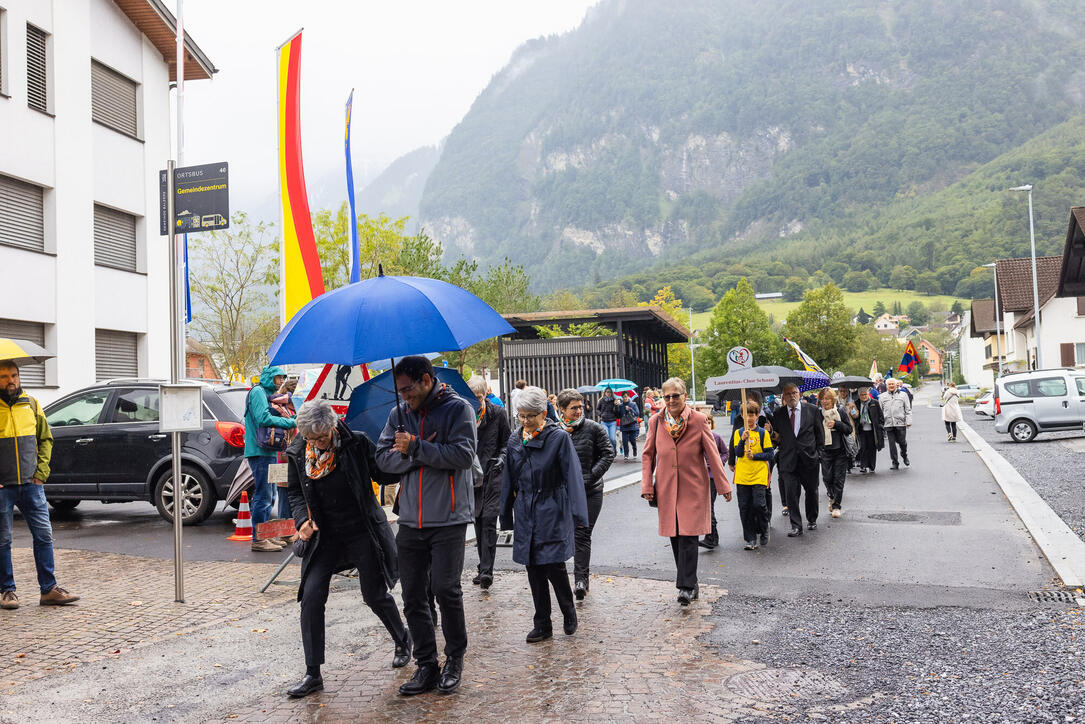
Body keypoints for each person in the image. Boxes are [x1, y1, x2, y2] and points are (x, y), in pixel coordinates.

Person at [284, 400, 410, 698]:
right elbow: (294, 493)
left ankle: (403, 639)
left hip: (361, 530)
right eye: (310, 439)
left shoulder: (356, 443)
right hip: (323, 537)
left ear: (333, 426)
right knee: (311, 598)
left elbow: (383, 474)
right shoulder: (299, 451)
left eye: (321, 437)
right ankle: (313, 673)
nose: (316, 443)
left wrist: (401, 454)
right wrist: (302, 520)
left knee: (374, 594)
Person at [375, 356, 476, 696]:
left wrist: (416, 447)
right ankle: (426, 665)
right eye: (400, 390)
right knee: (413, 595)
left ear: (427, 380)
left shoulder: (458, 410)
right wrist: (412, 454)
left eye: (409, 389)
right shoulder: (397, 415)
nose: (405, 396)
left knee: (447, 590)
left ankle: (455, 659)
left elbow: (463, 456)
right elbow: (382, 460)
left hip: (449, 517)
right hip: (410, 520)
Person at [500, 387, 589, 642]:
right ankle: (542, 623)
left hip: (552, 508)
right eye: (521, 416)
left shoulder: (559, 438)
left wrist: (578, 516)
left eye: (530, 416)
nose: (525, 421)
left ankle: (568, 611)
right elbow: (508, 479)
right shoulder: (516, 439)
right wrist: (505, 516)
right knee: (533, 569)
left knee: (553, 565)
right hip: (526, 510)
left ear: (542, 413)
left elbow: (572, 477)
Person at [641, 378, 731, 606]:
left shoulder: (699, 421)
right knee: (675, 535)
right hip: (667, 486)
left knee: (689, 536)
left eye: (676, 396)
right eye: (667, 396)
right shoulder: (656, 421)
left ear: (685, 397)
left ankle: (685, 587)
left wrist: (723, 486)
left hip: (693, 486)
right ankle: (690, 581)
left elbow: (712, 454)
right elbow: (648, 455)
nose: (671, 400)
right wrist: (647, 486)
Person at [0, 360, 79, 610]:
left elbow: (46, 439)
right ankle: (7, 591)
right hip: (3, 487)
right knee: (3, 541)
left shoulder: (32, 405)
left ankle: (49, 590)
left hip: (32, 485)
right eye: (3, 376)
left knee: (44, 536)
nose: (10, 380)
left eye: (13, 375)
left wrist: (41, 472)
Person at [556, 389, 615, 599]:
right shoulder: (555, 431)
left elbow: (609, 453)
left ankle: (581, 579)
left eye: (581, 406)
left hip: (590, 491)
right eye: (574, 408)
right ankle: (559, 579)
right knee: (562, 535)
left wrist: (591, 476)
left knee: (582, 534)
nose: (579, 411)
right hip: (562, 494)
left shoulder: (594, 428)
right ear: (561, 409)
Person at [244, 365, 298, 552]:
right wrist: (290, 422)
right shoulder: (258, 392)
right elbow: (263, 418)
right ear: (269, 377)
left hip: (269, 451)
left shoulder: (268, 395)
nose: (281, 382)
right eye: (278, 378)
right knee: (263, 495)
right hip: (260, 452)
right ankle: (258, 539)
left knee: (271, 494)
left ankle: (266, 534)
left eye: (282, 378)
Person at [467, 377, 509, 590]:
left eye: (479, 397)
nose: (476, 402)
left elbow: (506, 443)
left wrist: (501, 458)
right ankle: (483, 566)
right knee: (479, 522)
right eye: (472, 398)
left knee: (490, 521)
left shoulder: (498, 414)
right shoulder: (464, 415)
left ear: (485, 395)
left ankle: (486, 571)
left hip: (493, 474)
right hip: (472, 477)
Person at [770, 383, 822, 537]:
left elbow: (819, 434)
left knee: (811, 491)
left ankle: (812, 519)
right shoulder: (778, 414)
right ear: (783, 397)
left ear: (799, 394)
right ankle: (796, 526)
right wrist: (772, 434)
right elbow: (777, 438)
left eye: (794, 392)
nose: (792, 396)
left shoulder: (812, 410)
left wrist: (819, 454)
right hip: (788, 460)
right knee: (791, 494)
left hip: (809, 459)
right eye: (788, 394)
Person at [728, 401, 774, 550]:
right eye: (746, 414)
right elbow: (738, 453)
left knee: (759, 504)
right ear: (741, 415)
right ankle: (750, 539)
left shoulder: (763, 433)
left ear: (757, 415)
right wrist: (742, 440)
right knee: (745, 507)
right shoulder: (738, 433)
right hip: (742, 475)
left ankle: (764, 526)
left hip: (759, 473)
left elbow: (770, 454)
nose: (749, 418)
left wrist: (755, 455)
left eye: (752, 414)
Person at [817, 388, 852, 518]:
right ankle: (831, 496)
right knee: (827, 478)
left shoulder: (841, 411)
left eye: (827, 399)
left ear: (833, 400)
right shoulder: (818, 413)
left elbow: (849, 429)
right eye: (823, 399)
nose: (825, 401)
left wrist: (837, 424)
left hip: (840, 450)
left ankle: (837, 506)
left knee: (839, 479)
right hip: (825, 451)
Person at [698, 413, 728, 549]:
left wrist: (717, 462)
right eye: (704, 423)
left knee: (708, 506)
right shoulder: (696, 438)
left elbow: (725, 453)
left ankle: (712, 538)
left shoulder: (716, 438)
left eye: (709, 423)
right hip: (698, 477)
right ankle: (710, 536)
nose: (707, 425)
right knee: (703, 507)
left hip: (711, 477)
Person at [881, 378, 912, 470]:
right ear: (886, 386)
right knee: (892, 444)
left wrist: (908, 421)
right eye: (889, 384)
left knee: (902, 442)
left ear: (896, 385)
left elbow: (908, 409)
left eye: (892, 384)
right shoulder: (882, 397)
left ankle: (904, 454)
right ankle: (895, 462)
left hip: (900, 423)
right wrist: (881, 423)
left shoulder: (903, 395)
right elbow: (880, 411)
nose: (891, 385)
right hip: (888, 424)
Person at [853, 388, 884, 473]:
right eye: (862, 395)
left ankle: (871, 466)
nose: (864, 396)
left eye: (865, 394)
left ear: (868, 394)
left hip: (872, 430)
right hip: (861, 429)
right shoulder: (856, 403)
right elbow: (854, 416)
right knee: (863, 448)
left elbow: (881, 416)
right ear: (859, 396)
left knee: (872, 448)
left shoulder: (874, 403)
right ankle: (863, 466)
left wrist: (880, 425)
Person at [617, 391, 641, 460]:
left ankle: (634, 450)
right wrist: (616, 407)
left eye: (626, 396)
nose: (625, 398)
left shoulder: (633, 404)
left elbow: (637, 413)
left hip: (632, 425)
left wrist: (630, 409)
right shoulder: (620, 406)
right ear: (622, 397)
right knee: (624, 441)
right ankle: (626, 454)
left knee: (632, 440)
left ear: (628, 396)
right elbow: (618, 416)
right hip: (624, 425)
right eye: (624, 397)